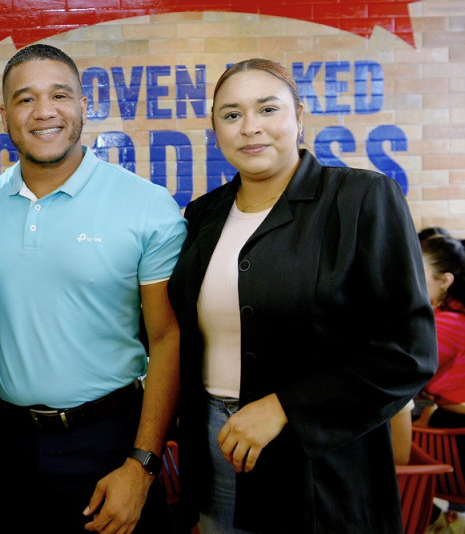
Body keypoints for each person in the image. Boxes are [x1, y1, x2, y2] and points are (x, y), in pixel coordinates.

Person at [167, 58, 437, 533]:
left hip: (320, 458)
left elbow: (408, 353)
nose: (250, 128)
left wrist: (285, 406)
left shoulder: (360, 198)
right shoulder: (202, 215)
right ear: (215, 130)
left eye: (267, 109)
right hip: (212, 446)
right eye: (231, 115)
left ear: (299, 115)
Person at [0, 44, 186, 533]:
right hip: (12, 440)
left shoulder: (146, 206)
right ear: (4, 115)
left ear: (84, 106)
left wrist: (142, 464)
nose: (44, 111)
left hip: (111, 439)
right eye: (25, 99)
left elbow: (168, 339)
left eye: (59, 95)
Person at [421, 236, 465, 429]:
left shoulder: (449, 322)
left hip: (455, 424)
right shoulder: (451, 312)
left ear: (445, 280)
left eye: (420, 273)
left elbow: (412, 368)